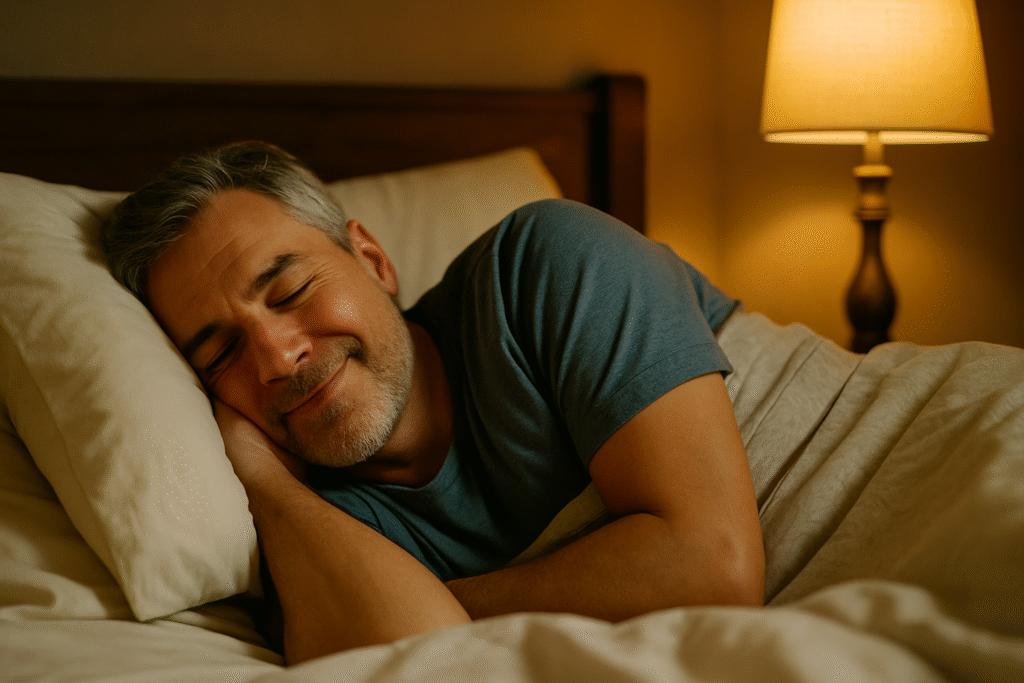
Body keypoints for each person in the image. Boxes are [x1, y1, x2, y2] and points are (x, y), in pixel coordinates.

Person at [103, 141, 765, 664]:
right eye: (220, 356)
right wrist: (262, 480)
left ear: (372, 260)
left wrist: (442, 602)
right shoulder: (312, 534)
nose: (277, 360)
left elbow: (714, 564)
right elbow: (415, 669)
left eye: (290, 292)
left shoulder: (542, 262)